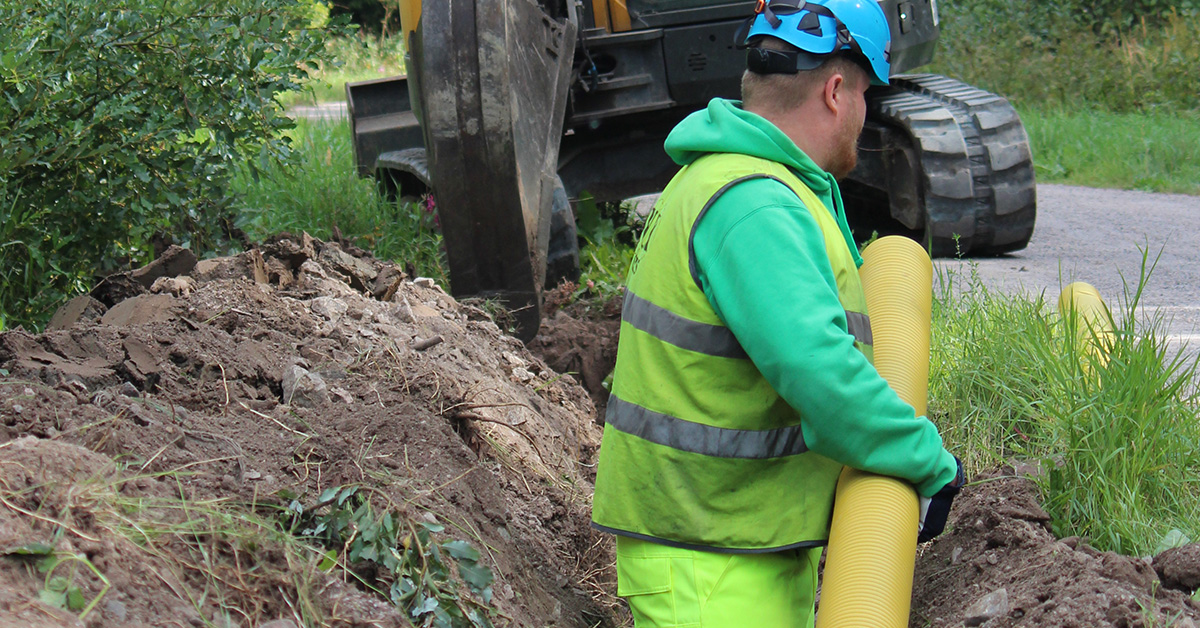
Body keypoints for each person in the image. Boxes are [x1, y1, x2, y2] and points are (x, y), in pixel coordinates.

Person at [589, 0, 965, 626]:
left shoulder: (735, 179)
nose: (865, 115)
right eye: (868, 96)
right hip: (711, 561)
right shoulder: (757, 204)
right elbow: (817, 371)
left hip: (737, 538)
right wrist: (928, 463)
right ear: (837, 91)